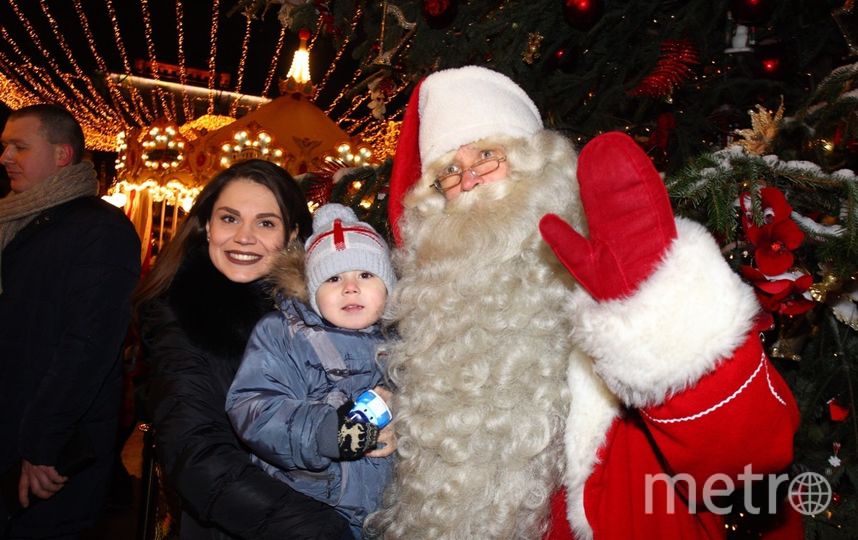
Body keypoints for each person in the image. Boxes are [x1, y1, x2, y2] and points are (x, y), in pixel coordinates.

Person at [366, 66, 801, 539]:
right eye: (448, 171)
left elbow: (749, 460)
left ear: (542, 170)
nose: (468, 179)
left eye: (488, 156)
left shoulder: (622, 279)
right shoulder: (431, 341)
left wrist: (654, 315)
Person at [134, 160, 349, 539]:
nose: (244, 237)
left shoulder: (325, 311)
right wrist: (317, 528)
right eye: (229, 219)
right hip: (239, 523)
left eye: (266, 223)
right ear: (207, 227)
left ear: (293, 232)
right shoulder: (182, 318)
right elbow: (197, 455)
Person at [0, 104, 141, 538]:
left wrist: (42, 445)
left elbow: (88, 345)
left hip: (46, 448)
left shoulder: (102, 229)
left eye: (19, 147)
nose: (5, 157)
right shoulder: (16, 219)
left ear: (61, 155)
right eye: (5, 146)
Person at [226, 203, 397, 539]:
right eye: (333, 278)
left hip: (388, 511)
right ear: (313, 292)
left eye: (366, 274)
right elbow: (253, 406)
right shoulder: (283, 333)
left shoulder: (403, 341)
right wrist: (323, 431)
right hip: (313, 506)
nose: (350, 287)